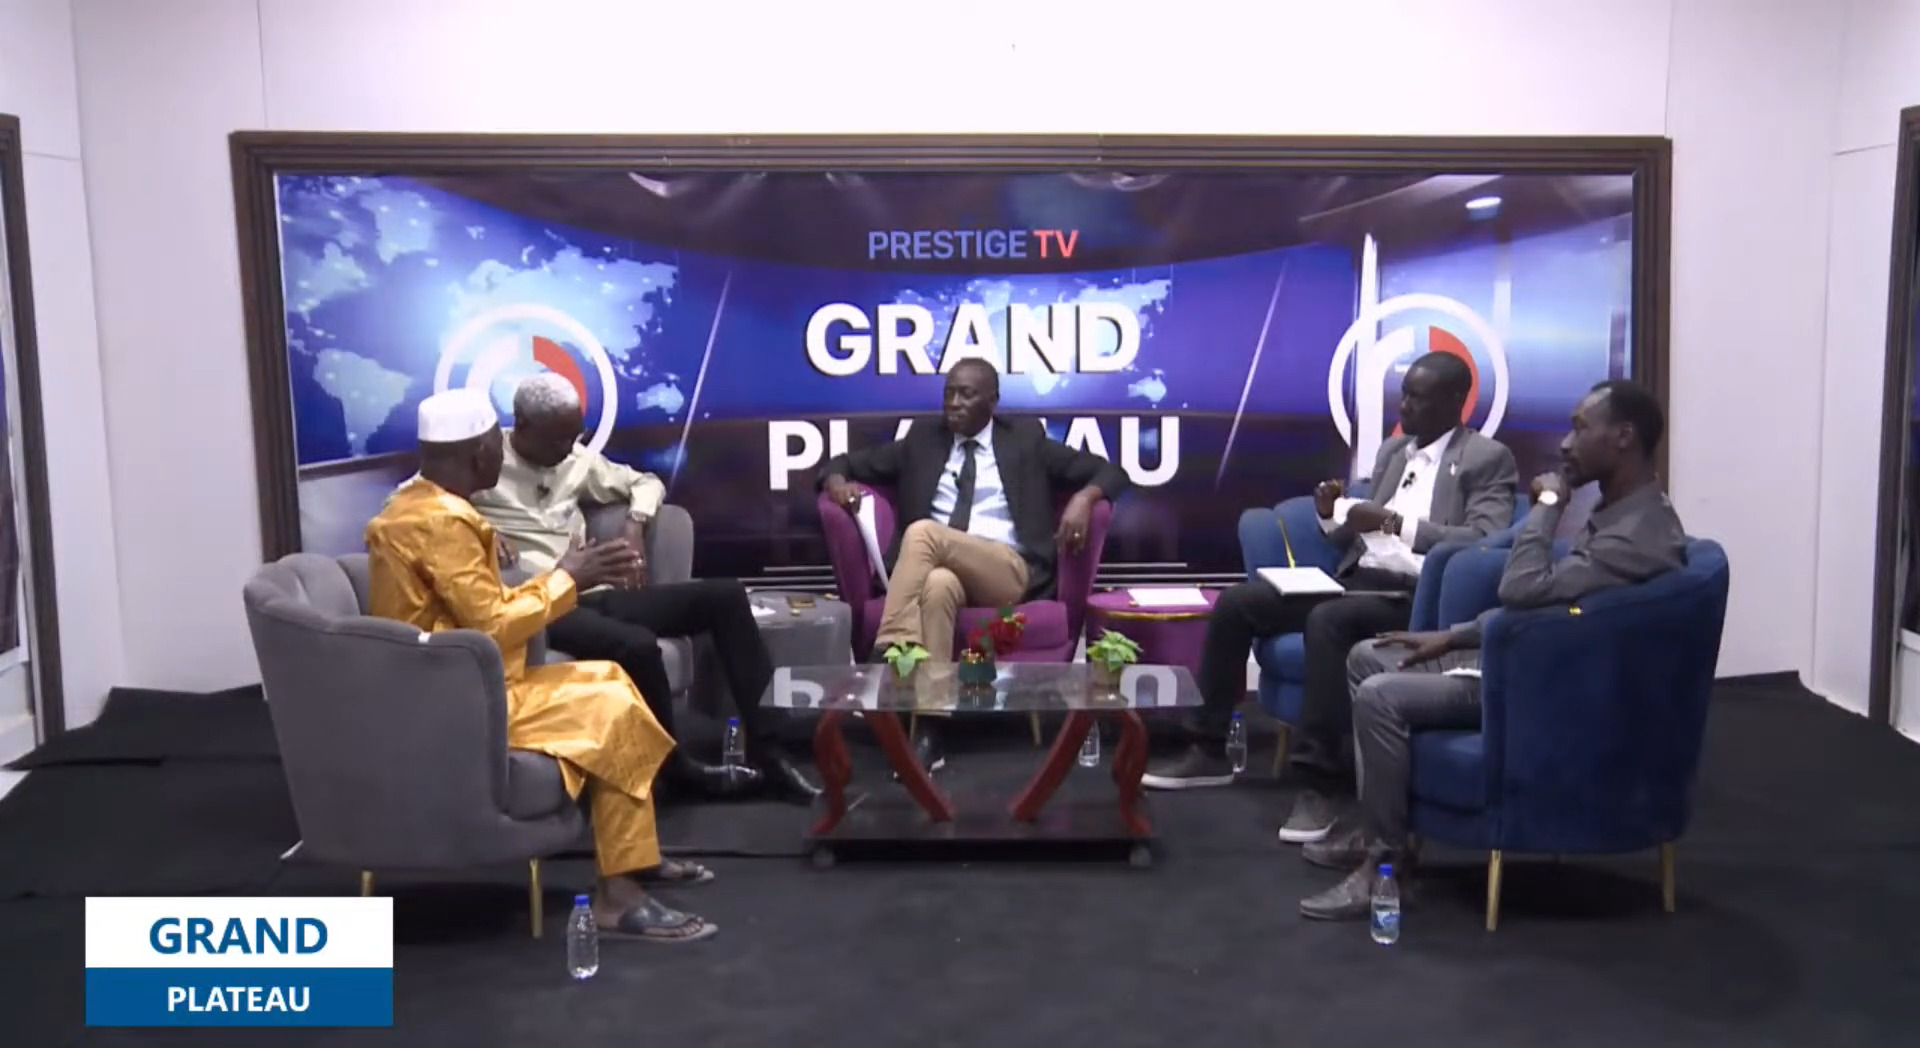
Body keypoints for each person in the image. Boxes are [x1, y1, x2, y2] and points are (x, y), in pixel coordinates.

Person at [1298, 379, 1686, 921]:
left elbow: (1522, 589)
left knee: (1381, 696)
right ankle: (1379, 829)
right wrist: (1455, 636)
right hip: (1533, 660)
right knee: (1369, 656)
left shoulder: (1637, 534)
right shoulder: (1622, 512)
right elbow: (1557, 603)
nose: (1566, 444)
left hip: (1549, 687)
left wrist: (1548, 506)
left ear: (1623, 437)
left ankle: (1386, 869)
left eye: (1580, 429)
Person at [366, 388, 717, 943]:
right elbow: (491, 625)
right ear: (478, 454)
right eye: (494, 444)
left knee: (613, 680)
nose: (501, 452)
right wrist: (568, 578)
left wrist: (561, 577)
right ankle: (619, 895)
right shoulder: (439, 522)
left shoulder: (426, 506)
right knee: (610, 708)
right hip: (453, 698)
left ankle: (632, 858)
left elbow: (480, 610)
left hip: (469, 682)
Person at [1144, 351, 1518, 822]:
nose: (1404, 406)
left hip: (1415, 596)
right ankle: (1208, 747)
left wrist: (1393, 522)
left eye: (1417, 398)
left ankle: (1322, 784)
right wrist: (1329, 514)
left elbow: (1484, 537)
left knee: (1328, 621)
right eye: (1403, 394)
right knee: (1238, 603)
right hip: (1357, 581)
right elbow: (1356, 535)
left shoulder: (1486, 458)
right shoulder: (1393, 452)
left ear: (1456, 400)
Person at [471, 374, 820, 804]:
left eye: (574, 434)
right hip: (539, 606)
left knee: (725, 596)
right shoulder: (484, 462)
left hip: (592, 590)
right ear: (522, 425)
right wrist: (480, 530)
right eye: (558, 437)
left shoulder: (575, 460)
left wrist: (634, 525)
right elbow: (420, 501)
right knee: (635, 644)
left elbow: (647, 482)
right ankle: (674, 768)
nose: (568, 446)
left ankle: (771, 752)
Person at [819, 357, 1130, 772]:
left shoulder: (1025, 441)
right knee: (937, 586)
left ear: (992, 401)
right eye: (949, 393)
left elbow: (1111, 472)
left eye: (966, 394)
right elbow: (842, 464)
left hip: (1006, 569)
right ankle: (930, 727)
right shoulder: (923, 440)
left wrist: (1083, 499)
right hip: (941, 569)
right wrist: (837, 483)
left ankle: (885, 650)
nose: (954, 403)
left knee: (922, 532)